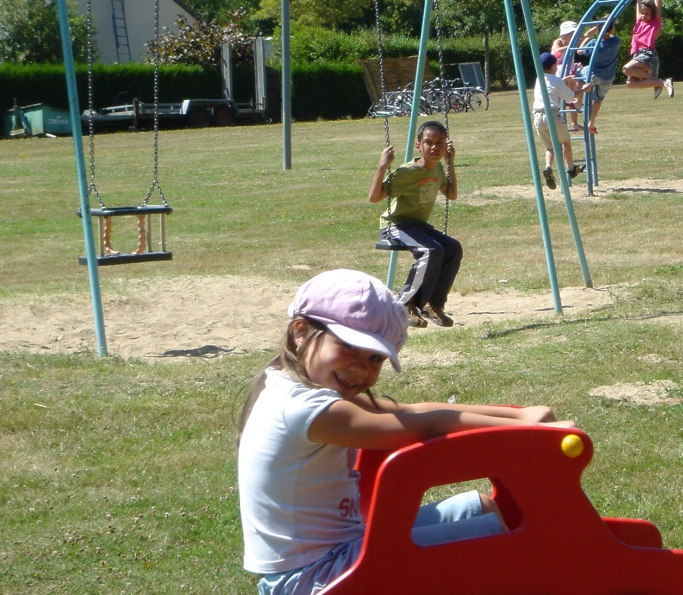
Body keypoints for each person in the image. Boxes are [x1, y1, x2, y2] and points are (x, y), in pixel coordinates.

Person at [237, 269, 576, 595]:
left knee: (483, 509)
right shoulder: (306, 409)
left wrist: (522, 416)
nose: (361, 368)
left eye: (375, 358)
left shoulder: (298, 388)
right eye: (348, 346)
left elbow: (409, 411)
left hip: (340, 552)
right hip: (315, 577)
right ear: (300, 332)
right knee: (495, 539)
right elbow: (427, 426)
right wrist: (530, 433)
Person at [368, 121, 460, 328]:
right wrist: (382, 166)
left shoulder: (438, 168)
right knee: (431, 250)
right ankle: (405, 304)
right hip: (395, 225)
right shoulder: (407, 172)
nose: (435, 147)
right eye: (429, 142)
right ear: (419, 146)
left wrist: (450, 162)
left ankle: (433, 304)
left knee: (453, 248)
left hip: (417, 225)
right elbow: (374, 197)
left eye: (440, 142)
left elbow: (451, 194)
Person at [532, 52, 590, 189]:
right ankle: (571, 169)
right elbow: (570, 97)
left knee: (550, 147)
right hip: (552, 115)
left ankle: (548, 167)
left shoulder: (539, 79)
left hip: (537, 116)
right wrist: (584, 89)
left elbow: (551, 85)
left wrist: (564, 80)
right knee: (565, 142)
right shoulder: (556, 80)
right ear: (553, 66)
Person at [622, 0, 673, 98]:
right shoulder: (639, 21)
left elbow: (657, 0)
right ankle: (660, 82)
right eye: (642, 13)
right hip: (637, 55)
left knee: (626, 69)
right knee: (630, 83)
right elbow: (640, 0)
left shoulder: (655, 22)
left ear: (652, 14)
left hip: (648, 54)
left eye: (647, 14)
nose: (644, 16)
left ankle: (661, 82)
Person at [581, 21, 621, 134]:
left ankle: (576, 97)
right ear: (612, 30)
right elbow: (611, 33)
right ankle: (591, 123)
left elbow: (579, 51)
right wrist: (608, 24)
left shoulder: (594, 43)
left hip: (593, 75)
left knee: (578, 72)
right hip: (608, 78)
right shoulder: (615, 41)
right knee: (598, 100)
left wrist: (588, 36)